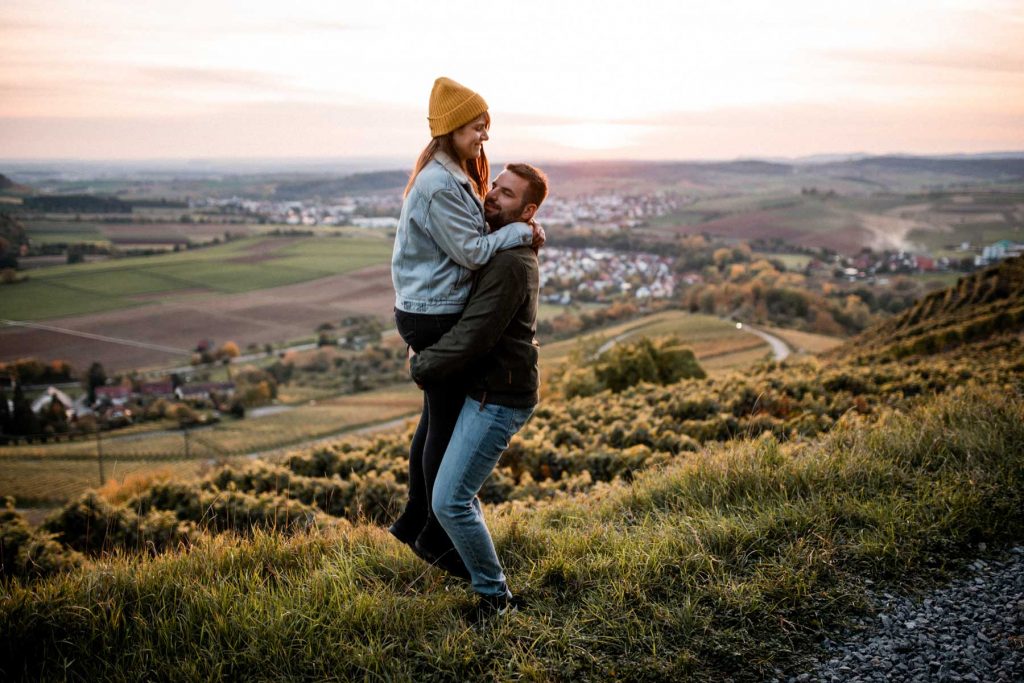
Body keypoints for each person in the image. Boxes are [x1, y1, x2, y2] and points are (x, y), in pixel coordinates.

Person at [389, 77, 543, 578]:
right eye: (478, 127)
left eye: (486, 128)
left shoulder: (451, 177)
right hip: (434, 310)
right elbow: (475, 250)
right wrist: (520, 231)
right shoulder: (439, 183)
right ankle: (434, 533)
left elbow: (476, 233)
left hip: (430, 306)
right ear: (453, 129)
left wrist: (523, 229)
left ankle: (415, 518)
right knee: (446, 418)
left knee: (436, 418)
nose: (484, 137)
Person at [410, 163, 548, 617]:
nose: (492, 197)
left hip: (500, 400)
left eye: (506, 195)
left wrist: (422, 364)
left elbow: (475, 333)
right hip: (485, 390)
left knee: (450, 499)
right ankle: (474, 571)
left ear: (527, 210)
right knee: (454, 494)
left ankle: (495, 597)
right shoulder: (501, 247)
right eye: (494, 187)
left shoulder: (510, 263)